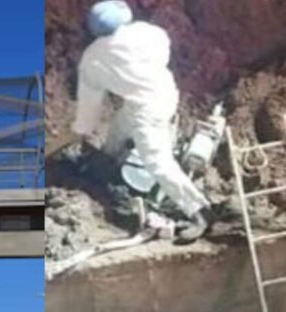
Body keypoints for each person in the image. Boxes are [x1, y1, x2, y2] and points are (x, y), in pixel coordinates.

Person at [72, 1, 213, 244]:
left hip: (148, 110)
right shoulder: (146, 32)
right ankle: (105, 164)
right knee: (120, 126)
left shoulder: (93, 59)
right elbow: (164, 50)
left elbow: (90, 103)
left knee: (157, 162)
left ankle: (199, 211)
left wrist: (81, 130)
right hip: (164, 91)